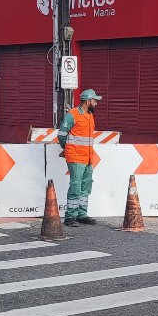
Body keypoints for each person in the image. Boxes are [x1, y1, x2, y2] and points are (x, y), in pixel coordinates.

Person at [58, 89, 102, 228]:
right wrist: (69, 149)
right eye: (95, 101)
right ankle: (70, 216)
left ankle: (82, 215)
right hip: (76, 156)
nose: (96, 103)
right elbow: (62, 135)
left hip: (88, 157)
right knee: (76, 186)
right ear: (87, 101)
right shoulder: (72, 115)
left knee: (85, 186)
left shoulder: (89, 115)